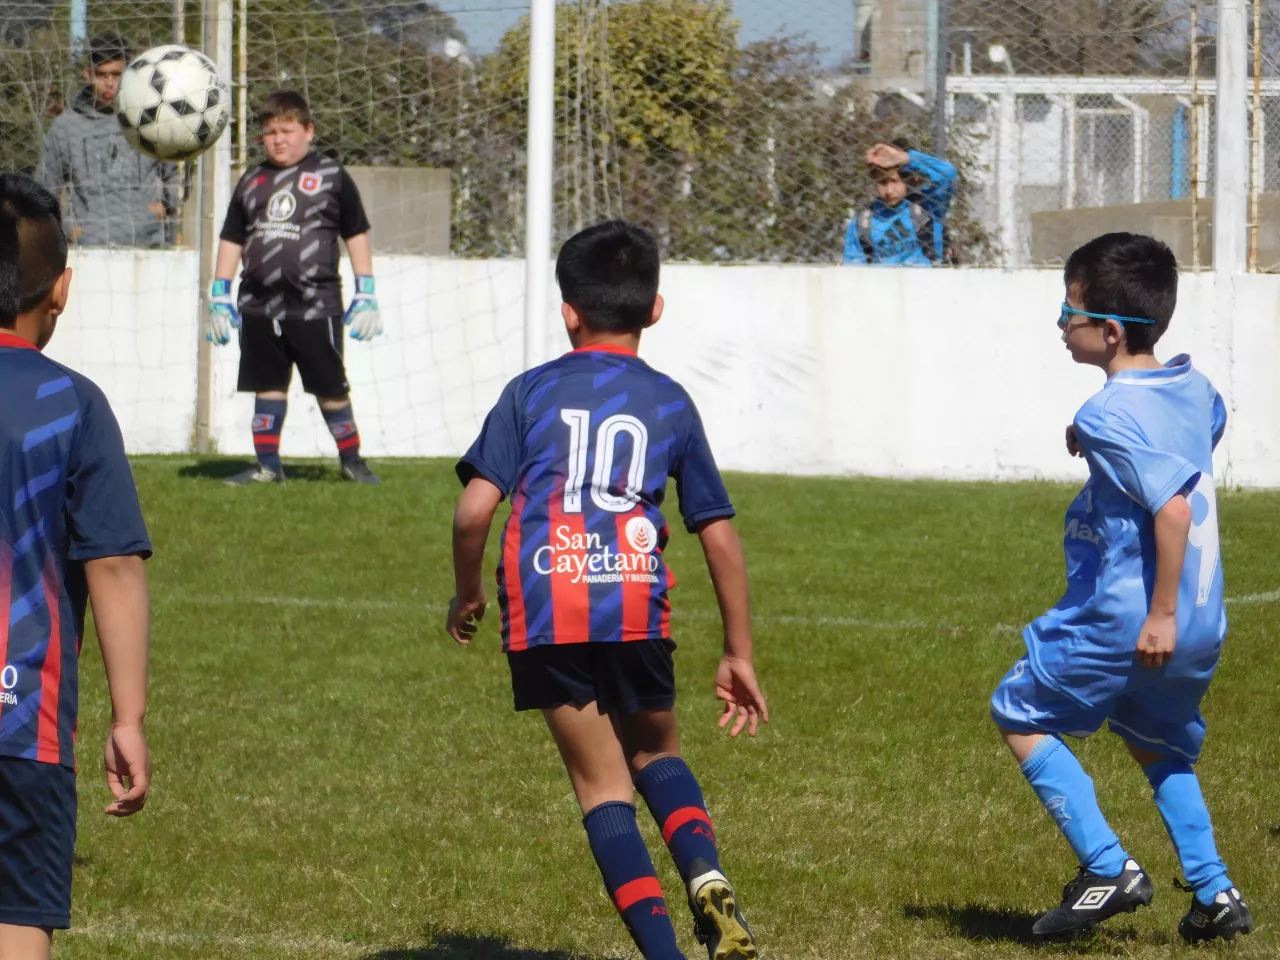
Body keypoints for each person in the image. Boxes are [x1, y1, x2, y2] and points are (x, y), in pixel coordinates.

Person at [446, 220, 768, 960]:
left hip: (546, 609)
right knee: (657, 753)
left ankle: (663, 953)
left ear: (569, 311)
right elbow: (716, 532)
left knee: (602, 787)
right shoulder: (671, 400)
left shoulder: (528, 392)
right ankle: (708, 876)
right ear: (656, 309)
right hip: (633, 600)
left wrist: (467, 594)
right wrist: (738, 652)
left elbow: (472, 509)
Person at [989, 233, 1252, 944]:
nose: (1060, 325)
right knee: (1158, 744)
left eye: (1066, 312)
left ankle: (1107, 865)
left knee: (1016, 711)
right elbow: (1192, 441)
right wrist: (1095, 436)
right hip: (1205, 615)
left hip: (1133, 616)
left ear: (1106, 332)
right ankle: (1215, 891)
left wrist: (1157, 613)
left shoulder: (1109, 414)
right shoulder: (1195, 388)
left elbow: (1171, 507)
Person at [0, 173, 152, 959]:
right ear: (61, 288)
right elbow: (116, 567)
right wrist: (127, 720)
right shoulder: (72, 403)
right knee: (16, 918)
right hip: (21, 720)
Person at [207, 90, 382, 486]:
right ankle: (267, 466)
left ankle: (352, 461)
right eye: (269, 132)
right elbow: (232, 237)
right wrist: (218, 294)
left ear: (308, 131)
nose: (278, 139)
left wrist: (366, 290)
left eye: (287, 130)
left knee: (330, 387)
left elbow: (356, 232)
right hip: (258, 306)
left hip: (315, 305)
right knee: (267, 387)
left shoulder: (332, 176)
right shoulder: (252, 180)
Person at [36, 33, 178, 248]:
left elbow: (174, 175)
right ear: (87, 73)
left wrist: (161, 208)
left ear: (129, 72)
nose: (109, 83)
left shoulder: (149, 119)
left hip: (149, 249)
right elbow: (45, 190)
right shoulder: (65, 128)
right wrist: (70, 231)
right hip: (89, 250)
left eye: (116, 74)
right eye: (101, 75)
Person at [843, 138, 956, 266]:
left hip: (926, 282)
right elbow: (853, 267)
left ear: (908, 180)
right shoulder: (863, 222)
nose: (889, 191)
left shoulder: (927, 207)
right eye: (882, 182)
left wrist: (905, 158)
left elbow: (948, 173)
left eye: (894, 181)